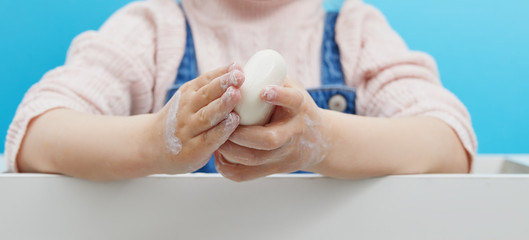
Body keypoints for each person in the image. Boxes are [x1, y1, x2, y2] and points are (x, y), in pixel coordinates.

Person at [5, 0, 477, 181]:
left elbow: (450, 144)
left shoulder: (356, 35)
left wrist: (323, 140)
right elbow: (35, 136)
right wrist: (154, 142)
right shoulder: (153, 29)